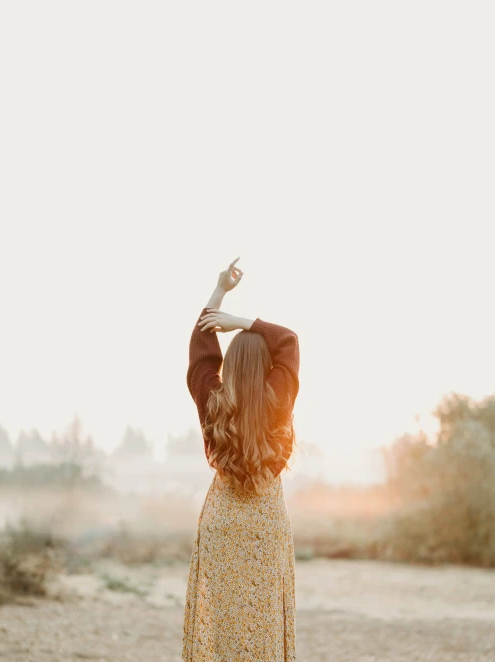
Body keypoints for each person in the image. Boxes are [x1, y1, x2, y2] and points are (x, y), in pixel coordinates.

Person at [182, 257, 299, 661]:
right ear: (268, 369)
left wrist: (218, 294)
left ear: (230, 368)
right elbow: (288, 341)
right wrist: (243, 321)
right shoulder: (278, 402)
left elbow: (201, 356)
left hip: (223, 523)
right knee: (264, 627)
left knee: (225, 629)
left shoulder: (214, 404)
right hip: (266, 523)